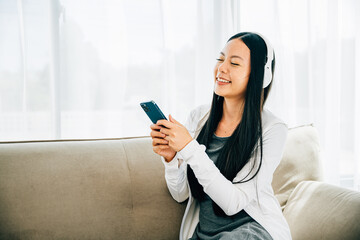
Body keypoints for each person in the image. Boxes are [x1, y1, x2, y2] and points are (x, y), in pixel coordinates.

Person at [150, 32, 292, 240]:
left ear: (259, 76)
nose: (221, 68)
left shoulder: (273, 129)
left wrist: (189, 148)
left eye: (234, 63)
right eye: (220, 59)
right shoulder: (199, 118)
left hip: (252, 230)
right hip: (205, 233)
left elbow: (233, 203)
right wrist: (172, 160)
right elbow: (180, 194)